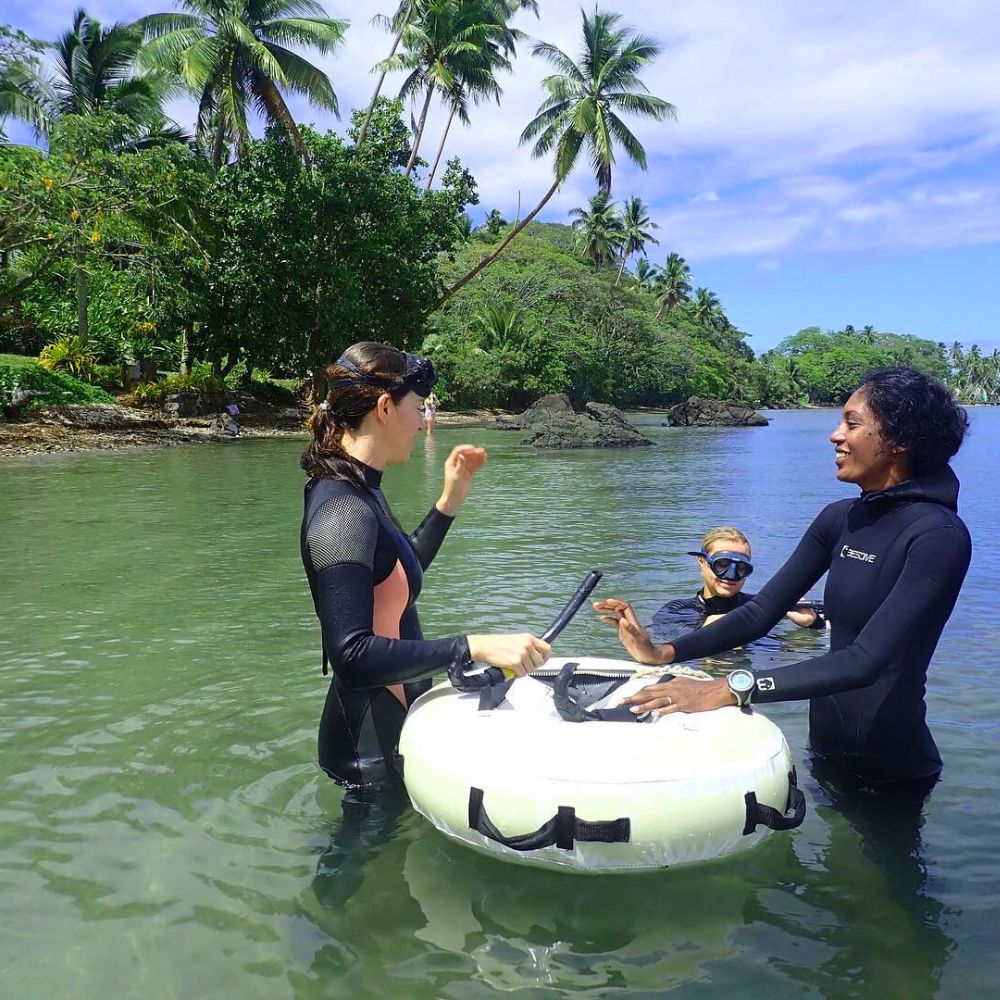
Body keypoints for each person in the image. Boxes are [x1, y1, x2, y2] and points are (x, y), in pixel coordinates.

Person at [595, 367, 971, 793]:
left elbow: (868, 659)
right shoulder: (840, 518)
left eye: (852, 423)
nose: (834, 436)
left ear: (899, 441)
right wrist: (664, 651)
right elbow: (759, 613)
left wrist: (731, 687)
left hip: (893, 765)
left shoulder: (938, 536)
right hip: (824, 748)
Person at [301, 342, 550, 789]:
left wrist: (449, 500)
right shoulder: (343, 508)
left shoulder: (362, 489)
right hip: (367, 756)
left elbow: (397, 573)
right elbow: (352, 655)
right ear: (384, 407)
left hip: (396, 732)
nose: (422, 422)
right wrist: (471, 646)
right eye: (416, 408)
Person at [647, 525, 826, 642]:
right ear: (702, 563)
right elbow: (666, 641)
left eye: (741, 568)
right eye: (722, 565)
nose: (730, 576)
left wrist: (812, 623)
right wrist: (705, 630)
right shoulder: (676, 610)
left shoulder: (762, 607)